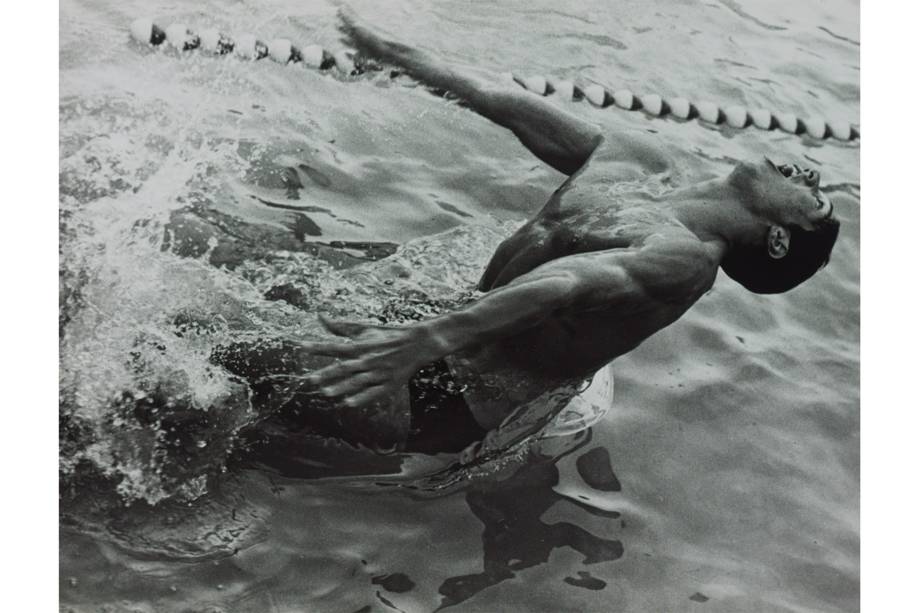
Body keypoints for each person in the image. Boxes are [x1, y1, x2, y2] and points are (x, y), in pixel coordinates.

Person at [215, 11, 840, 457]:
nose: (810, 172)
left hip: (446, 393)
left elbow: (564, 285)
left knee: (191, 347)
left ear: (779, 238)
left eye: (816, 200)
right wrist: (393, 53)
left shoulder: (683, 262)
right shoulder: (644, 162)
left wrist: (419, 343)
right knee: (240, 275)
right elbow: (506, 102)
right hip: (444, 325)